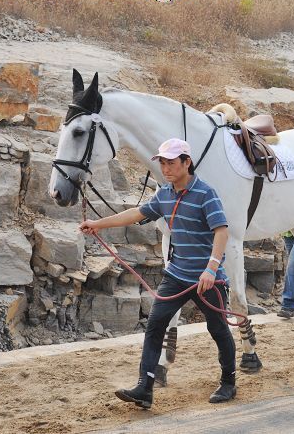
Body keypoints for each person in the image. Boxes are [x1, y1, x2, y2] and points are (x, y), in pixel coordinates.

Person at [79, 138, 236, 409]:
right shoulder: (164, 194)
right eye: (162, 162)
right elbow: (135, 214)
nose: (165, 168)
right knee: (154, 326)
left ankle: (228, 382)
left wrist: (211, 269)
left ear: (187, 162)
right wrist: (98, 224)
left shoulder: (206, 193)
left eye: (171, 162)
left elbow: (221, 231)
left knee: (217, 328)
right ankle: (145, 388)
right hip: (176, 275)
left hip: (207, 278)